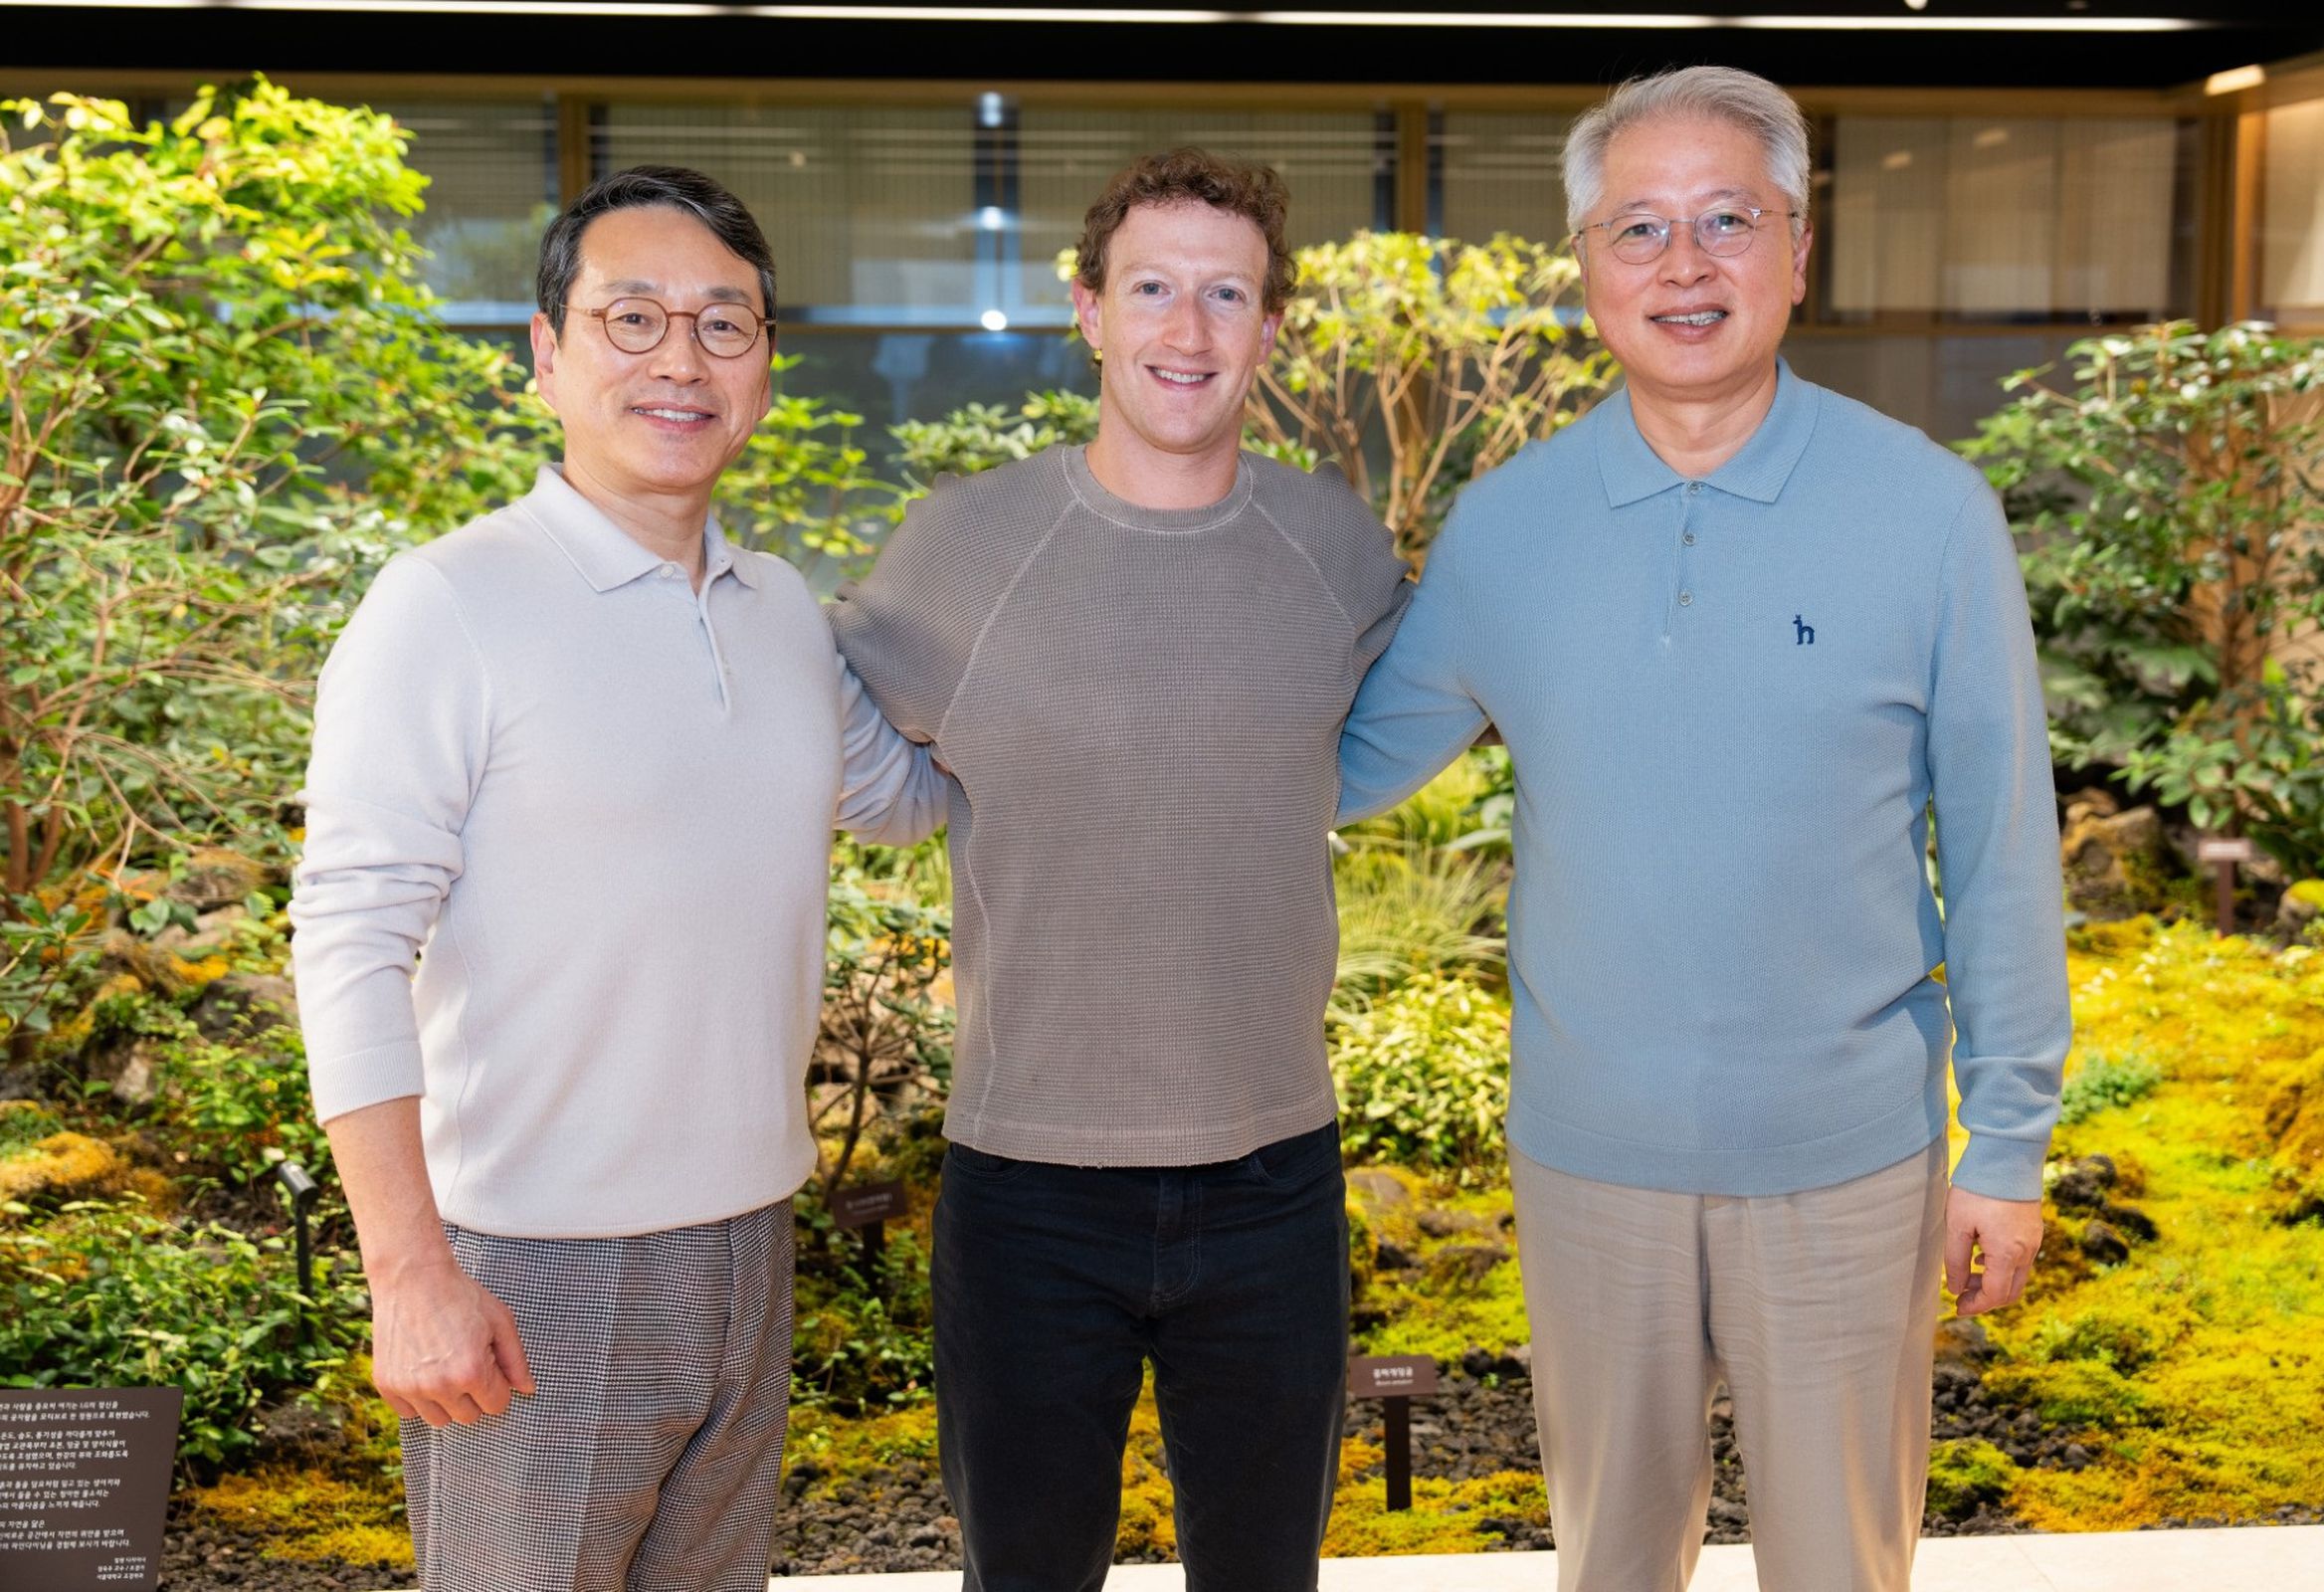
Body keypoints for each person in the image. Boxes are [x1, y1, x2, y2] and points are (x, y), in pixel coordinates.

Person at [1337, 66, 2070, 1592]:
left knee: (1841, 1565)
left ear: (1799, 251)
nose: (1685, 265)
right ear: (1588, 268)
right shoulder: (1508, 527)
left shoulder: (1931, 513)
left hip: (1852, 1158)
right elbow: (1331, 767)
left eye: (1728, 220)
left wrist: (2005, 1144)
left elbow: (2004, 847)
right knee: (1607, 1562)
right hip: (1587, 1159)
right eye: (1639, 227)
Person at [290, 164, 946, 1592]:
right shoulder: (447, 604)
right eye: (632, 316)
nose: (681, 359)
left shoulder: (779, 611)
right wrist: (408, 1277)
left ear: (766, 364)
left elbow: (908, 799)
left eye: (725, 324)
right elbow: (345, 943)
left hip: (748, 1245)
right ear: (546, 351)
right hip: (532, 1263)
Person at [828, 148, 1410, 1592]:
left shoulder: (1332, 548)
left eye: (1228, 294)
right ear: (1086, 309)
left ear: (1271, 325)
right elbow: (833, 732)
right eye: (1152, 288)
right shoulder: (965, 549)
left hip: (1273, 1179)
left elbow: (1371, 734)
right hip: (1028, 1183)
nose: (1188, 331)